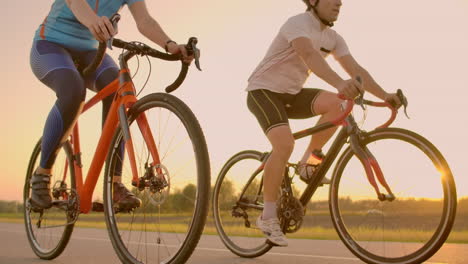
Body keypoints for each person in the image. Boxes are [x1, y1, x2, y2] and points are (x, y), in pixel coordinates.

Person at [246, 0, 402, 246]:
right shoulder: (297, 23)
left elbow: (355, 68)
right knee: (284, 146)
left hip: (292, 94)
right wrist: (340, 84)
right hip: (263, 91)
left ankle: (308, 161)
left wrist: (385, 96)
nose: (339, 2)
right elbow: (308, 55)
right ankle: (267, 216)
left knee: (339, 105)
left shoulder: (333, 38)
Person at [29, 0, 192, 209]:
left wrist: (170, 45)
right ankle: (42, 175)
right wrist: (93, 22)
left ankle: (114, 184)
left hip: (90, 52)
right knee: (73, 91)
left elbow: (145, 21)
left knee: (119, 88)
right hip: (50, 45)